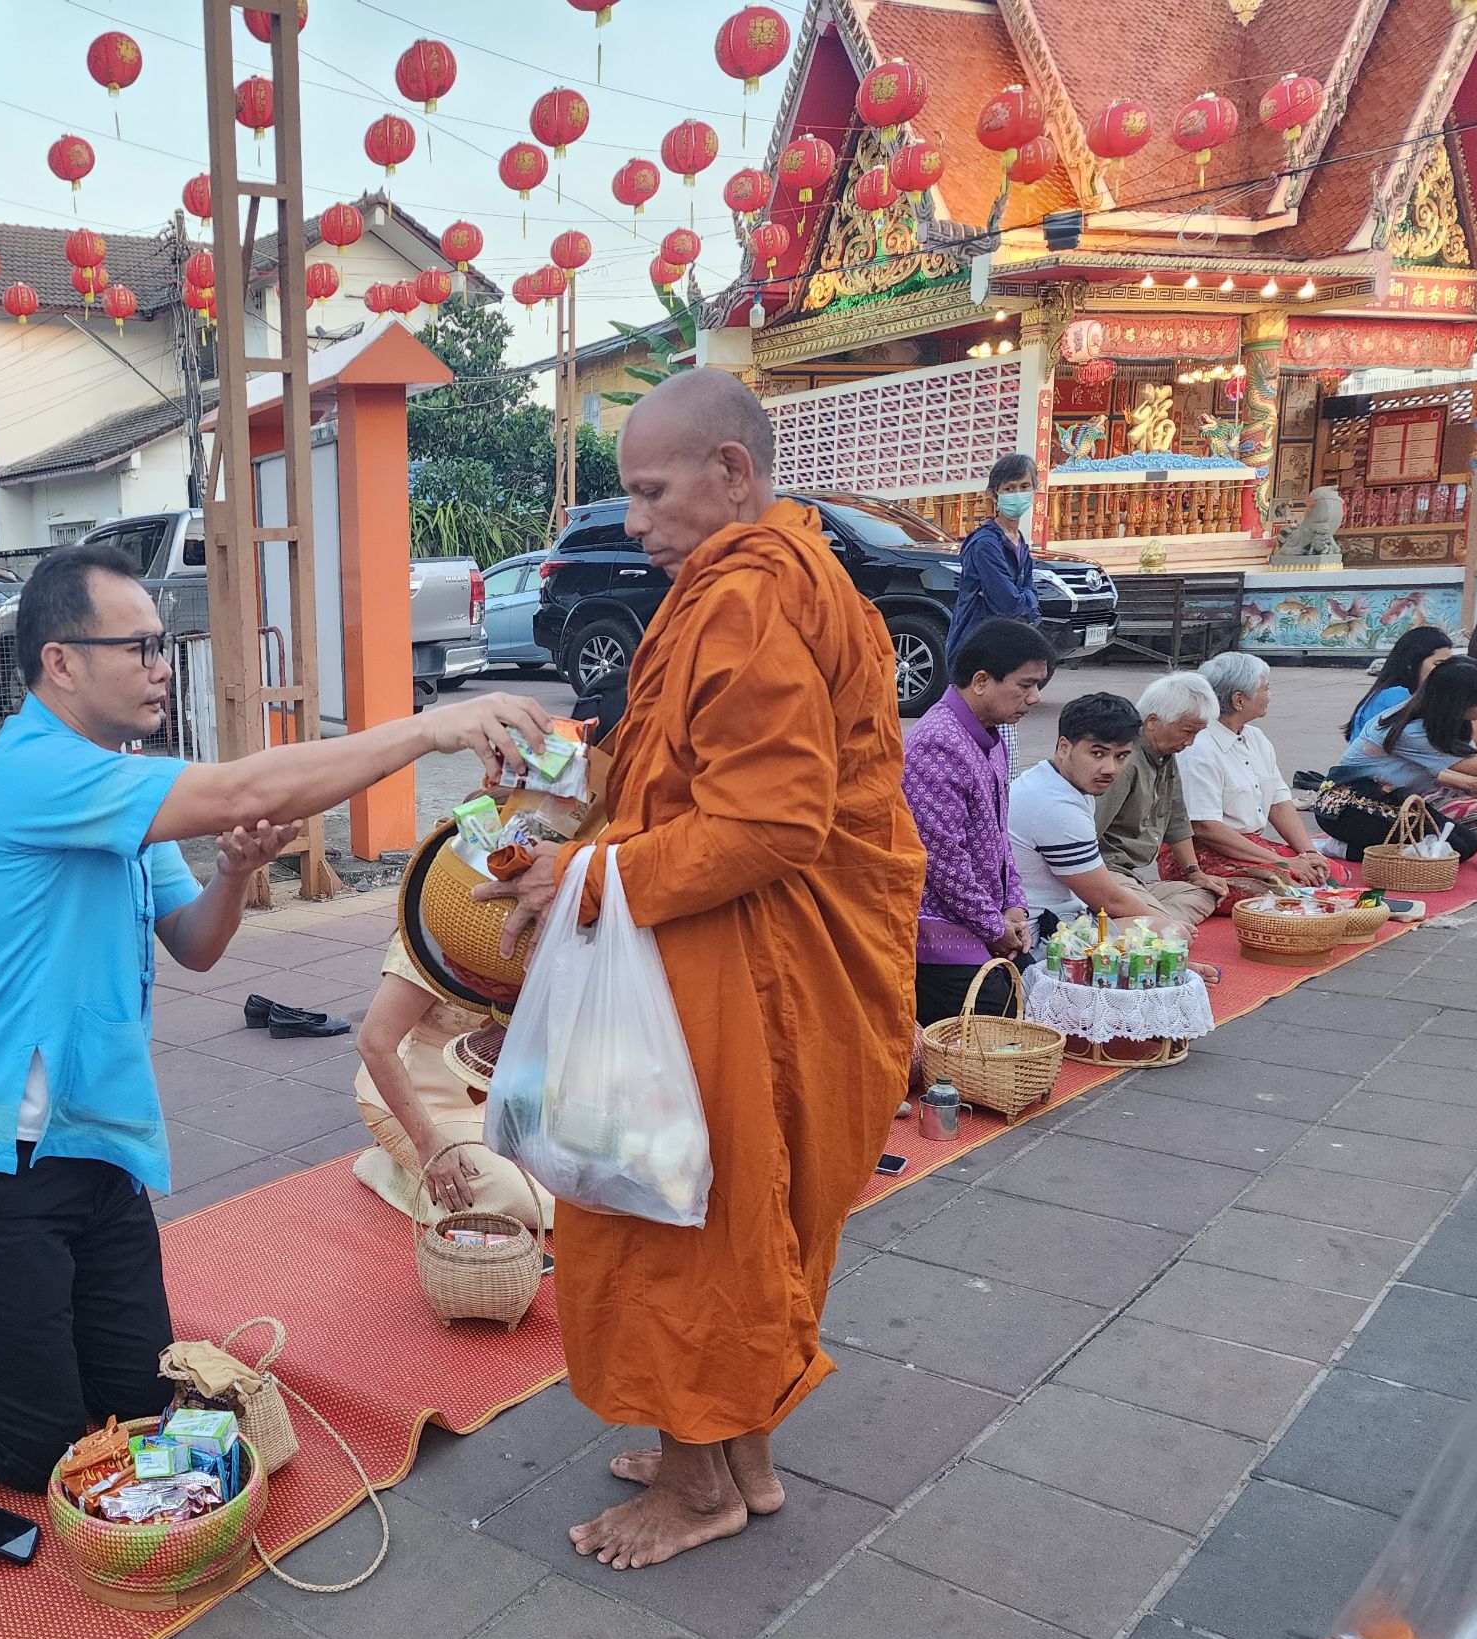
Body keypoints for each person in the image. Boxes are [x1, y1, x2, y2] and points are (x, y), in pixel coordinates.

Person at [0, 545, 551, 1492]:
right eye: (137, 645)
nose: (157, 664)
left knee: (137, 1412)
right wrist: (431, 729)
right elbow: (245, 787)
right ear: (60, 661)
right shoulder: (33, 772)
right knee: (39, 1447)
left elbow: (195, 942)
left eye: (160, 643)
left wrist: (230, 872)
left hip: (97, 1151)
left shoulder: (112, 786)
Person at [471, 370, 924, 1570]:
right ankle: (742, 1454)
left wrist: (580, 881)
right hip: (758, 949)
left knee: (674, 1202)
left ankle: (692, 1485)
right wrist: (564, 788)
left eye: (649, 490)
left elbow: (770, 825)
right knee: (751, 1203)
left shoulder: (751, 597)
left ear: (731, 472)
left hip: (750, 954)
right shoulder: (766, 576)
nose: (633, 520)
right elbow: (680, 763)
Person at [902, 617, 1054, 1026]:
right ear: (982, 680)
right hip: (938, 935)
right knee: (1000, 1019)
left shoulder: (991, 736)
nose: (1035, 698)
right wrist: (994, 925)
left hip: (983, 921)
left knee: (1032, 1003)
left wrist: (1015, 907)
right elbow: (941, 857)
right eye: (1026, 685)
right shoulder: (939, 741)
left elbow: (998, 837)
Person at [353, 949, 549, 1228]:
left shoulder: (531, 936)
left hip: (493, 1099)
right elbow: (373, 1043)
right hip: (419, 1105)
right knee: (528, 1203)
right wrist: (428, 1144)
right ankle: (389, 1168)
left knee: (578, 1179)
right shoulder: (427, 942)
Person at [1010, 691, 1191, 935]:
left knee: (1189, 904)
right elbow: (1110, 899)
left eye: (1121, 756)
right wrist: (1170, 929)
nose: (1110, 768)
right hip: (1041, 937)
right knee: (1165, 931)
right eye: (1098, 754)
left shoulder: (1051, 779)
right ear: (1064, 747)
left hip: (1070, 913)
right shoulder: (1056, 806)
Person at [1176, 653, 1339, 892]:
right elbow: (1205, 827)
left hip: (1245, 845)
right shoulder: (1199, 748)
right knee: (1288, 886)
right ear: (1239, 700)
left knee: (1327, 873)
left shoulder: (1256, 738)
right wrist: (1284, 862)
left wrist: (1309, 853)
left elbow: (1279, 802)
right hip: (1201, 851)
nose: (1270, 696)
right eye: (1266, 688)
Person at [1091, 671, 1230, 927]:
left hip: (1131, 877)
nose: (1190, 742)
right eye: (1187, 731)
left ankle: (1141, 923)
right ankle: (1147, 924)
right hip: (1106, 874)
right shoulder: (1126, 762)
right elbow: (1088, 835)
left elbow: (1176, 817)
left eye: (1197, 734)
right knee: (1172, 932)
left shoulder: (1164, 754)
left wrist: (1195, 873)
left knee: (1204, 894)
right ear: (1153, 721)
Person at [1317, 655, 1477, 860]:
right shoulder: (1411, 731)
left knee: (1467, 843)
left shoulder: (1440, 716)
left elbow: (1469, 754)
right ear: (1458, 701)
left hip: (1392, 799)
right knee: (1450, 850)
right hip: (1348, 809)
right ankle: (1345, 849)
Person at [948, 454, 1043, 768]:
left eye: (1024, 486)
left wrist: (1024, 599)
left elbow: (1027, 597)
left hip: (1004, 654)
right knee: (980, 754)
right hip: (979, 655)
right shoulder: (985, 544)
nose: (1018, 494)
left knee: (1004, 759)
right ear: (994, 494)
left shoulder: (1018, 542)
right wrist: (1025, 599)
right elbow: (1009, 602)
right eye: (1010, 487)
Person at [1346, 625, 1452, 741]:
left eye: (1449, 665)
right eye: (1438, 664)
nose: (1446, 670)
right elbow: (1417, 744)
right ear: (1411, 663)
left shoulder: (1417, 695)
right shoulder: (1394, 697)